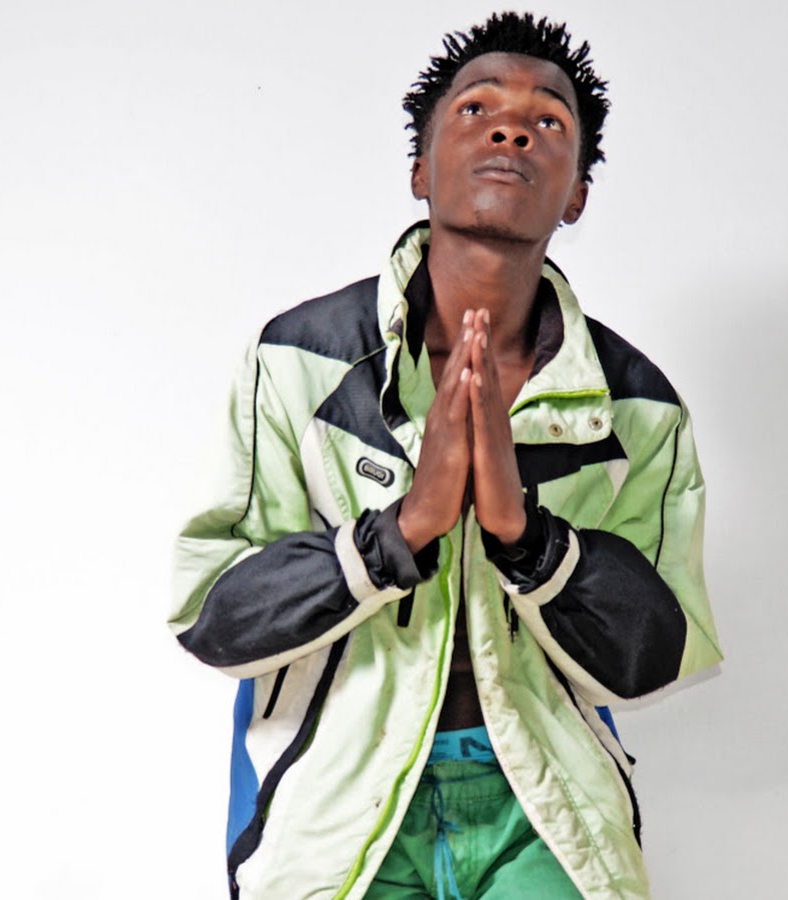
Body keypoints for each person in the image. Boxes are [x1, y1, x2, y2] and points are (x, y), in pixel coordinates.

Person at [169, 12, 722, 899]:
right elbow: (212, 614)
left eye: (548, 121)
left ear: (576, 193)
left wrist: (526, 539)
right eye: (477, 110)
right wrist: (400, 530)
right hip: (336, 806)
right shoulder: (300, 361)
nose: (511, 131)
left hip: (544, 806)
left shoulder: (635, 405)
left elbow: (656, 655)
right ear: (420, 170)